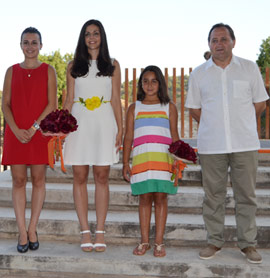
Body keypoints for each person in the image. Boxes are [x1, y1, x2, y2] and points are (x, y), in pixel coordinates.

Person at [185, 23, 269, 264]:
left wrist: (238, 123)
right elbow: (194, 108)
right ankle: (214, 241)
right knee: (213, 196)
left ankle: (248, 244)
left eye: (223, 39)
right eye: (214, 40)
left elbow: (260, 104)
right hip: (212, 145)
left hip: (245, 143)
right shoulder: (199, 73)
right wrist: (216, 124)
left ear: (234, 41)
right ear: (209, 45)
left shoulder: (249, 69)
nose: (218, 44)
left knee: (247, 196)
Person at [63, 19, 122, 252]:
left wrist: (121, 129)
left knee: (102, 175)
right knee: (79, 174)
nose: (92, 37)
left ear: (102, 37)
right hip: (79, 122)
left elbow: (116, 99)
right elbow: (68, 100)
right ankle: (85, 230)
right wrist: (60, 126)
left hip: (104, 122)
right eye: (87, 34)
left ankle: (100, 231)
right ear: (82, 37)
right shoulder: (72, 66)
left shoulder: (113, 65)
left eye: (96, 33)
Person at [1, 27, 57, 253]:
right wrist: (15, 129)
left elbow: (52, 104)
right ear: (21, 45)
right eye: (26, 42)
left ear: (41, 45)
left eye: (34, 42)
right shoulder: (11, 71)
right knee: (18, 182)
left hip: (38, 133)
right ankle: (21, 231)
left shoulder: (49, 70)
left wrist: (33, 128)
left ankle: (33, 228)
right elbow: (5, 104)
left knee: (38, 180)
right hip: (15, 133)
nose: (30, 46)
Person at [122, 65, 180, 257]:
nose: (149, 85)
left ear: (160, 84)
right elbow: (128, 137)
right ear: (140, 84)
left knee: (161, 198)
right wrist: (125, 163)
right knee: (144, 199)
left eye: (154, 81)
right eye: (145, 81)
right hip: (142, 161)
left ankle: (159, 243)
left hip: (163, 161)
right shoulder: (134, 108)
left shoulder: (169, 107)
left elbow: (175, 137)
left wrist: (177, 161)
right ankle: (144, 241)